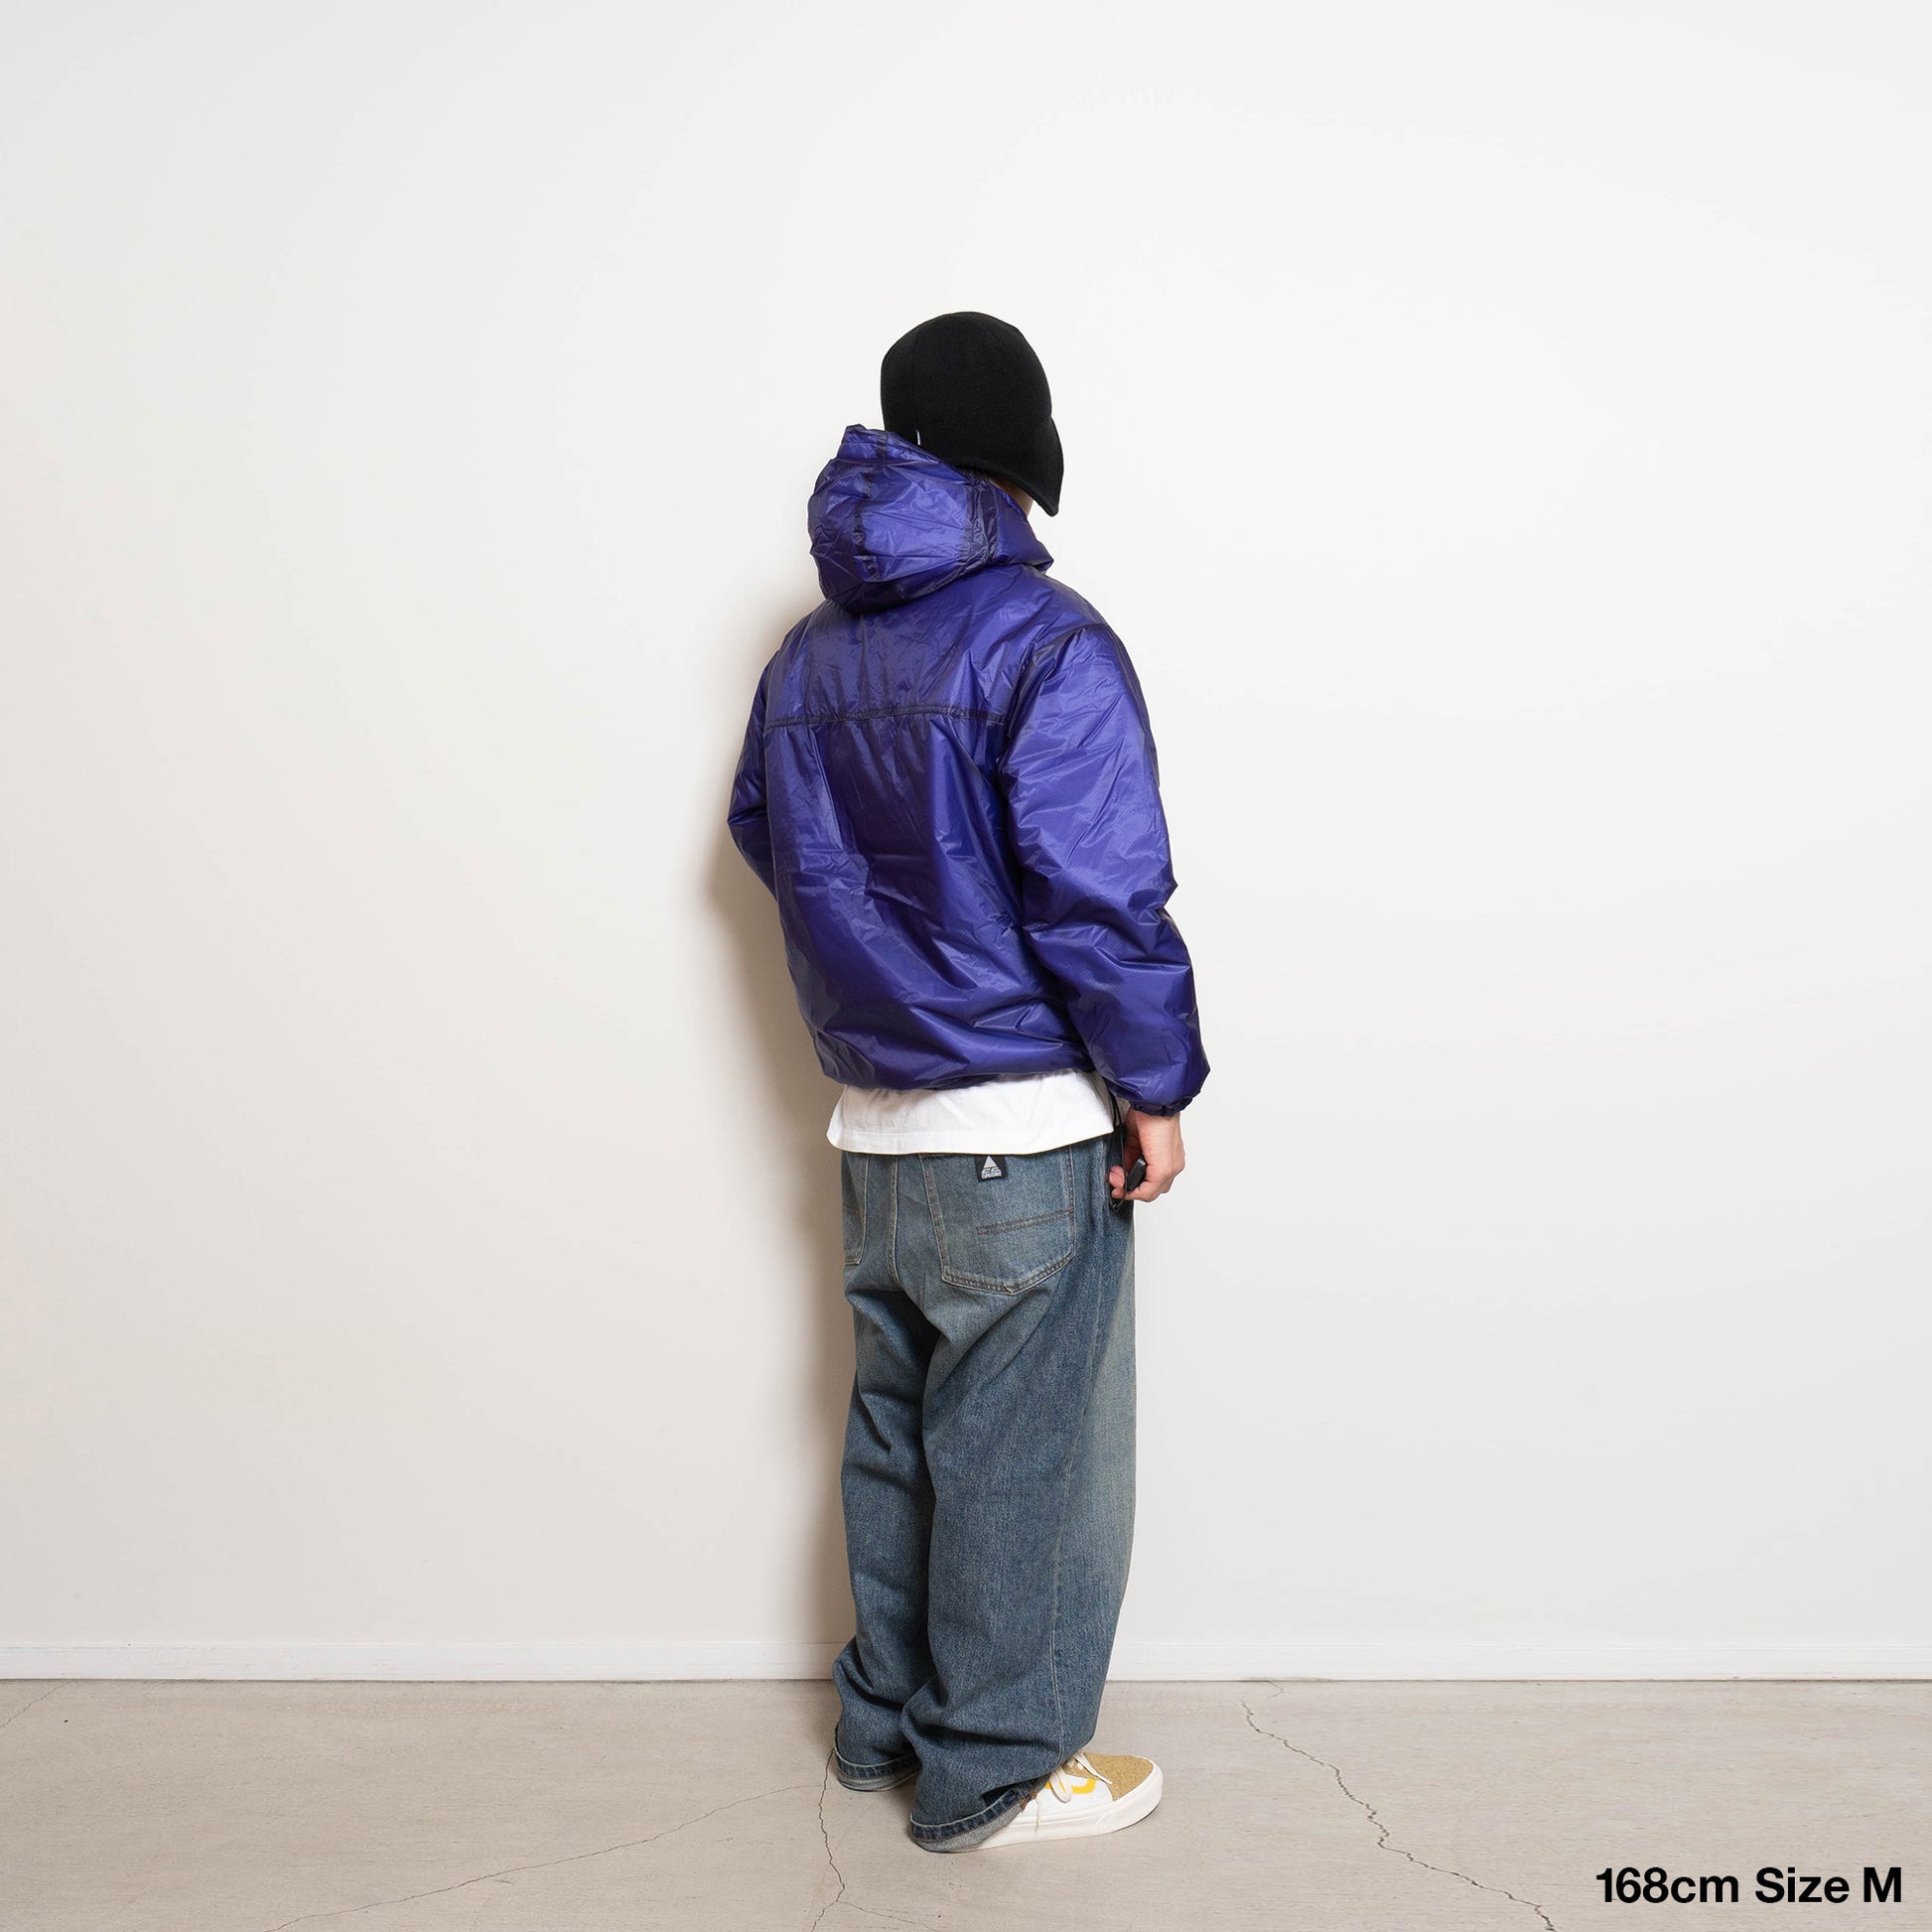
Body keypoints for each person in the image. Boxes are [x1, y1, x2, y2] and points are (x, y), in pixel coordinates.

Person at [727, 312, 1209, 1852]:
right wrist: (1153, 1087)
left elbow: (768, 835)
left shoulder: (806, 654)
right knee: (1020, 1457)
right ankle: (997, 1770)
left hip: (875, 1125)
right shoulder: (1043, 641)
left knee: (897, 1436)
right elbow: (1098, 894)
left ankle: (885, 1725)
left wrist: (891, 975)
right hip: (1022, 1118)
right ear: (1020, 453)